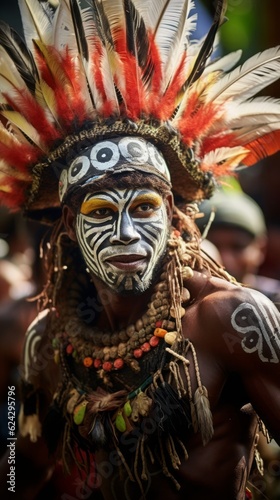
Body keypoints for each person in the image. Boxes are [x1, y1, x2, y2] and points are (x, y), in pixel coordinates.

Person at [0, 1, 280, 499]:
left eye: (145, 207)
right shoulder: (44, 343)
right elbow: (19, 465)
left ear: (173, 213)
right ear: (69, 222)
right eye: (102, 213)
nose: (127, 232)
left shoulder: (232, 320)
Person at [198, 190, 280, 308]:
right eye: (214, 246)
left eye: (237, 247)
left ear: (261, 249)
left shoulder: (276, 301)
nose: (224, 259)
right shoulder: (181, 304)